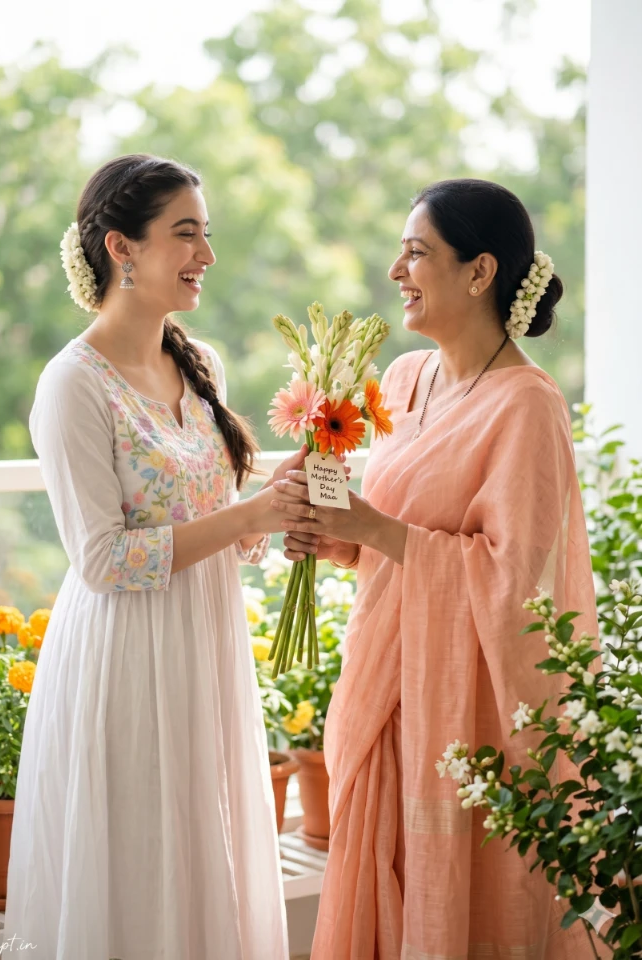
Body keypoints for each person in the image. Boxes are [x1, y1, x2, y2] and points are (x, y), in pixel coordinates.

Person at [272, 179, 607, 958]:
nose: (396, 270)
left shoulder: (526, 406)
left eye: (416, 252)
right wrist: (331, 532)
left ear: (479, 271)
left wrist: (376, 529)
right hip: (381, 685)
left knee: (456, 899)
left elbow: (515, 582)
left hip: (462, 717)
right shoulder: (403, 381)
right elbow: (391, 537)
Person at [4, 154, 295, 960]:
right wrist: (248, 511)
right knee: (137, 868)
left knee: (208, 855)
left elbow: (229, 526)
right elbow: (101, 559)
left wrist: (282, 501)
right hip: (127, 660)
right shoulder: (73, 384)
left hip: (208, 651)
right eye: (185, 234)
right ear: (119, 247)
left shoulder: (201, 367)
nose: (205, 253)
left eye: (207, 234)